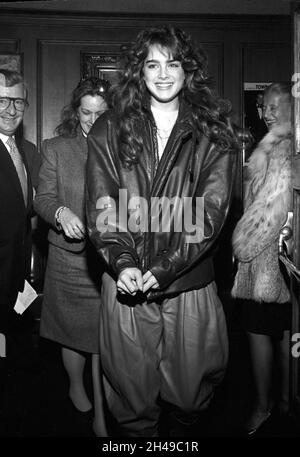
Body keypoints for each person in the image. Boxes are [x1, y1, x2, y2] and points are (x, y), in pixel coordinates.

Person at [86, 25, 238, 437]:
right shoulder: (109, 129)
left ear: (188, 70)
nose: (164, 73)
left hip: (189, 279)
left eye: (173, 63)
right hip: (126, 282)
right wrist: (122, 260)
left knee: (191, 397)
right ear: (140, 71)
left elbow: (209, 209)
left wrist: (168, 262)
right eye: (153, 64)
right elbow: (104, 205)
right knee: (132, 402)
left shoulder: (214, 130)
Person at [34, 77, 110, 436]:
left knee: (102, 336)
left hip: (110, 260)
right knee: (71, 333)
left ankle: (103, 414)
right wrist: (62, 214)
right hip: (69, 258)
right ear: (75, 111)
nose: (92, 121)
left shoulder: (124, 149)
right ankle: (76, 386)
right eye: (86, 112)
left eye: (100, 113)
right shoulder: (56, 148)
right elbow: (43, 198)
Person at [232, 82, 292, 434]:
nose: (267, 114)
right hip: (276, 258)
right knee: (282, 332)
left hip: (266, 258)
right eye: (264, 107)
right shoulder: (274, 146)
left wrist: (242, 246)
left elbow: (271, 213)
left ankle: (263, 406)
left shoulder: (281, 149)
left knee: (260, 332)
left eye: (275, 106)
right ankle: (283, 401)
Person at [0, 69, 41, 371]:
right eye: (2, 100)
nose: (10, 110)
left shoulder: (26, 151)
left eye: (18, 102)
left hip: (16, 277)